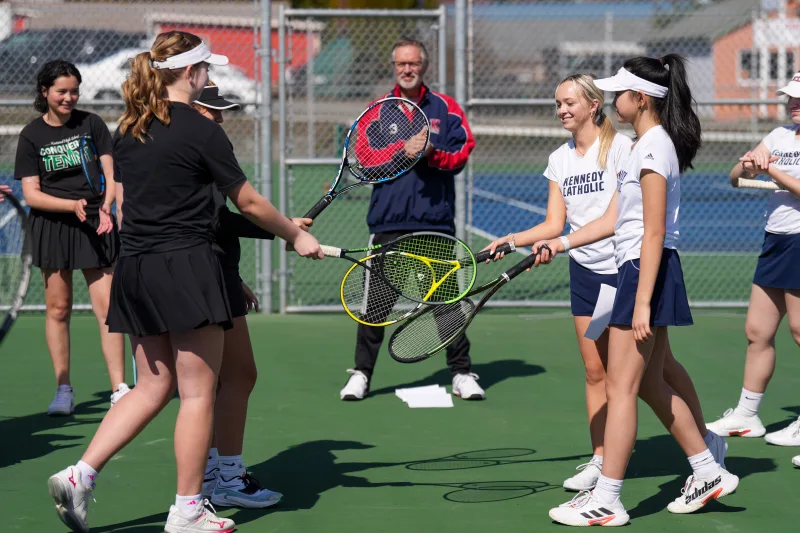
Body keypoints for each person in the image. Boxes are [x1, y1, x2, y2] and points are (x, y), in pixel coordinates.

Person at [46, 31, 322, 533]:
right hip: (187, 267)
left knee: (151, 387)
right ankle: (188, 509)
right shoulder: (201, 130)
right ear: (192, 72)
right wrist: (293, 236)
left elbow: (145, 205)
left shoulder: (130, 129)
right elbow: (249, 202)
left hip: (137, 268)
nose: (210, 78)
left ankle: (79, 473)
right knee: (198, 394)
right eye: (207, 70)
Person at [484, 73, 726, 492]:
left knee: (652, 371)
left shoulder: (625, 148)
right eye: (557, 104)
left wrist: (560, 244)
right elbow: (555, 222)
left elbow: (626, 222)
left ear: (593, 105)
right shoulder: (560, 159)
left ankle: (703, 445)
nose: (561, 110)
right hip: (585, 273)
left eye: (569, 102)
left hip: (624, 272)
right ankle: (603, 461)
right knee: (597, 372)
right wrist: (514, 240)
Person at [531, 56, 739, 526]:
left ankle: (608, 498)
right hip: (641, 268)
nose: (613, 100)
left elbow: (652, 231)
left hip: (645, 269)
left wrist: (642, 299)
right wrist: (559, 241)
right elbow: (613, 220)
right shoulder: (644, 144)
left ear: (640, 99)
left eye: (619, 93)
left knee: (622, 387)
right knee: (646, 381)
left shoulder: (649, 149)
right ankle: (707, 466)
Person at [339, 37, 483, 401]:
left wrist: (432, 152)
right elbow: (366, 160)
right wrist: (402, 151)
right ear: (394, 67)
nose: (407, 69)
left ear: (424, 66)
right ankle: (361, 373)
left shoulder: (447, 109)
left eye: (414, 64)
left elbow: (461, 154)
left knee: (446, 301)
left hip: (434, 223)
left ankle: (462, 373)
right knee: (375, 306)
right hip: (388, 223)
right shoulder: (377, 110)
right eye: (401, 64)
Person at [191, 83, 309, 508]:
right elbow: (236, 210)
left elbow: (216, 219)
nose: (220, 119)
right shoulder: (200, 141)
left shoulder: (160, 138)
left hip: (207, 270)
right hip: (203, 273)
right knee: (230, 378)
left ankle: (210, 476)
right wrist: (287, 232)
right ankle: (223, 478)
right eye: (211, 110)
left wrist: (281, 229)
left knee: (210, 383)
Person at [14, 59, 128, 416]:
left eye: (74, 90)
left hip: (97, 222)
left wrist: (107, 205)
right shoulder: (31, 135)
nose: (68, 97)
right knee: (58, 308)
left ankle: (119, 388)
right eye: (61, 91)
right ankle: (63, 389)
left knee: (108, 308)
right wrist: (69, 204)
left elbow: (111, 174)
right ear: (44, 92)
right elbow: (31, 195)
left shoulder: (92, 124)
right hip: (53, 225)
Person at [706, 74, 800, 458]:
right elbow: (734, 177)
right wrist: (747, 165)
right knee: (757, 330)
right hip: (776, 240)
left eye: (798, 99)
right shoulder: (779, 136)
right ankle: (747, 414)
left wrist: (771, 171)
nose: (792, 104)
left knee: (799, 330)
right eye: (789, 98)